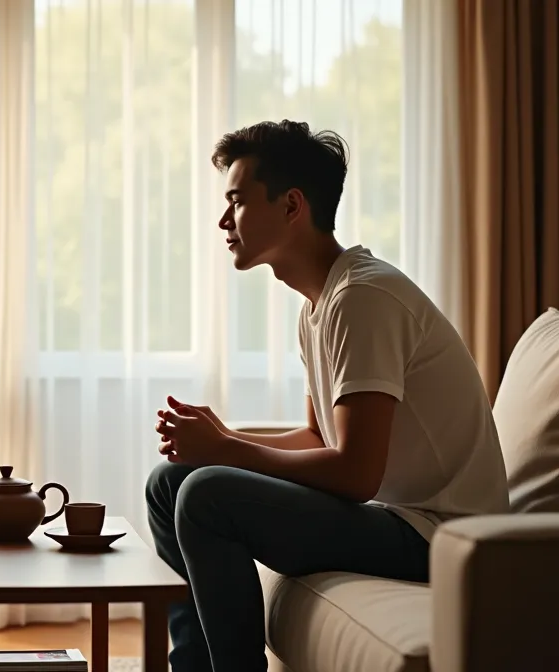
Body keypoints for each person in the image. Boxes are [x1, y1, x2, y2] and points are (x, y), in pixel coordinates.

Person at [146, 120, 509, 671]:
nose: (224, 220)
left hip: (438, 535)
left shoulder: (363, 297)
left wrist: (226, 450)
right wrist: (221, 439)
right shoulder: (319, 305)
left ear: (292, 205)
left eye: (237, 201)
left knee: (205, 494)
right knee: (169, 482)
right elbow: (319, 438)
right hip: (393, 519)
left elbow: (356, 474)